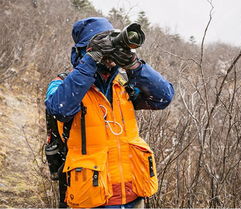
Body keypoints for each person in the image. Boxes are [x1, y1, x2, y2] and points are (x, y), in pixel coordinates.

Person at [45, 17, 174, 208]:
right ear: (83, 51)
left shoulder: (123, 85)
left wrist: (134, 65)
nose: (109, 54)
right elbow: (59, 109)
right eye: (103, 45)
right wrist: (91, 59)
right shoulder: (61, 84)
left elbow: (163, 97)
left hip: (133, 195)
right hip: (91, 198)